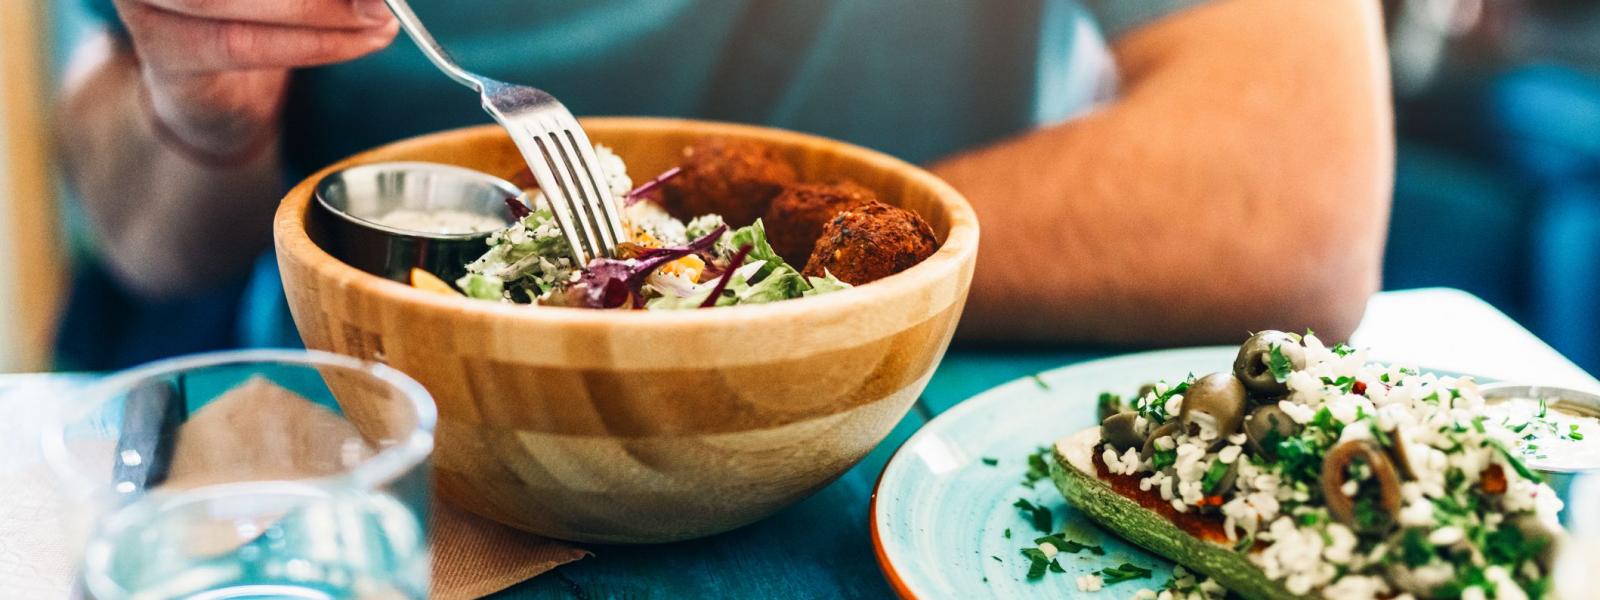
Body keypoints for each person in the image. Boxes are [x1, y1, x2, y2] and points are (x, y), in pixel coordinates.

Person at [58, 0, 1392, 364]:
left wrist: (723, 297)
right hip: (367, 453)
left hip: (902, 440)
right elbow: (142, 233)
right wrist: (206, 109)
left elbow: (1293, 195)